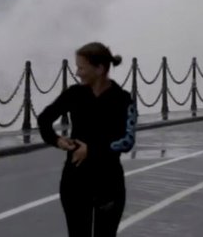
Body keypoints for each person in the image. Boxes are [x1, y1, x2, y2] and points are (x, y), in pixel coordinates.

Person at [37, 42, 138, 237]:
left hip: (108, 184)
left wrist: (92, 150)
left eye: (81, 68)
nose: (77, 72)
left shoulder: (122, 99)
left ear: (99, 69)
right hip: (75, 182)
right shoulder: (74, 94)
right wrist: (57, 140)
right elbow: (44, 119)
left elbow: (127, 141)